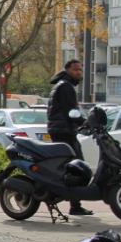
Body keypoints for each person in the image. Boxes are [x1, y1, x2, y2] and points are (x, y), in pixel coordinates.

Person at [48, 59, 92, 216]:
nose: (78, 72)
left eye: (80, 70)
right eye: (75, 70)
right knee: (76, 166)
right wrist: (86, 123)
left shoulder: (63, 85)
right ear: (67, 71)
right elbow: (71, 111)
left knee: (70, 166)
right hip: (63, 130)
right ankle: (74, 204)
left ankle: (74, 202)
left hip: (62, 130)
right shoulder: (66, 86)